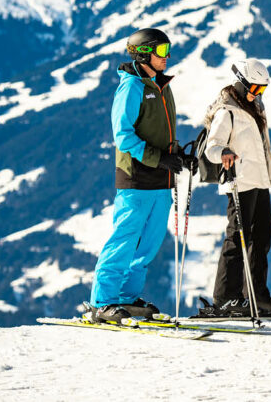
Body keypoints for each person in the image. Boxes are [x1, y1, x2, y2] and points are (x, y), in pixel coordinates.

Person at [90, 28, 196, 322]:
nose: (167, 57)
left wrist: (177, 155)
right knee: (124, 238)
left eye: (167, 50)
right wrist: (160, 158)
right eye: (161, 51)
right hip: (136, 178)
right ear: (143, 53)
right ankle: (102, 301)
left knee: (148, 245)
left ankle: (126, 297)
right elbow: (123, 136)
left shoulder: (162, 86)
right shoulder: (132, 87)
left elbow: (163, 134)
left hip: (161, 179)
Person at [199, 59, 271, 317]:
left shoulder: (254, 107)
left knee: (262, 238)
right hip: (239, 181)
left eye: (262, 90)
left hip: (258, 181)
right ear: (240, 83)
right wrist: (224, 151)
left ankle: (256, 296)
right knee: (238, 238)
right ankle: (226, 298)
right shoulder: (226, 111)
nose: (258, 94)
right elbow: (212, 147)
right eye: (254, 88)